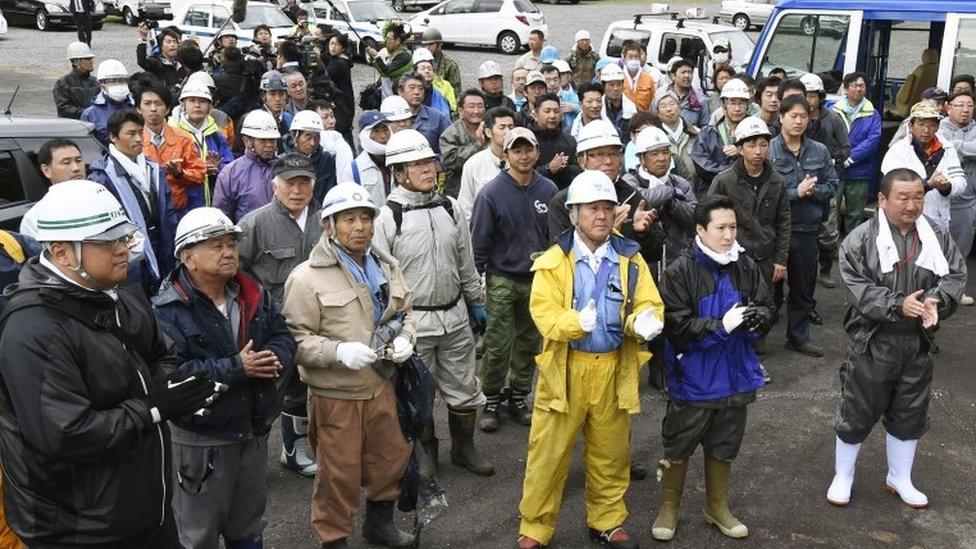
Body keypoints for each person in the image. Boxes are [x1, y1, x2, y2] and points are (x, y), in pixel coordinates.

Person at [0, 181, 216, 547]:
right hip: (79, 528)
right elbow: (66, 434)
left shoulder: (121, 292)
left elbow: (160, 354)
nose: (124, 249)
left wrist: (174, 390)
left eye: (124, 237)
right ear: (62, 253)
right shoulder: (33, 330)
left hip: (143, 509)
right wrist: (153, 409)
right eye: (107, 242)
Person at [516, 170, 663, 549]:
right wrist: (571, 323)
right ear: (573, 214)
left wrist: (642, 321)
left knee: (610, 454)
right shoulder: (553, 261)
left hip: (614, 367)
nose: (601, 215)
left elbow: (649, 302)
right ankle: (535, 527)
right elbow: (543, 311)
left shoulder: (631, 260)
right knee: (548, 454)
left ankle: (607, 520)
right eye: (592, 208)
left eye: (607, 208)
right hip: (565, 370)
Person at [282, 182, 417, 548]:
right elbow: (295, 341)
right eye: (348, 219)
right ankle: (334, 538)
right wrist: (337, 352)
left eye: (365, 218)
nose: (359, 227)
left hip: (382, 385)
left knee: (389, 459)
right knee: (337, 474)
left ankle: (379, 525)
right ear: (329, 225)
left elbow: (405, 313)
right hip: (335, 395)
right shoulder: (305, 278)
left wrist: (407, 339)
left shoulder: (385, 265)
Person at [152, 207, 295, 548]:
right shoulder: (166, 310)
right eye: (215, 245)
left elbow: (283, 335)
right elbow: (171, 378)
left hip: (251, 428)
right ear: (187, 257)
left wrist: (273, 358)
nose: (229, 251)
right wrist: (236, 368)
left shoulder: (251, 291)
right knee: (197, 534)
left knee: (248, 527)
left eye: (231, 243)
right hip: (201, 440)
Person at [826, 168, 966, 509]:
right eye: (902, 198)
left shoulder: (934, 233)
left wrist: (936, 300)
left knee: (910, 411)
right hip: (873, 340)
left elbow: (956, 274)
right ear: (882, 199)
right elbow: (856, 287)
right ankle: (843, 475)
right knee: (858, 408)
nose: (911, 205)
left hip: (917, 341)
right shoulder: (859, 239)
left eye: (918, 197)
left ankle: (899, 477)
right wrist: (896, 305)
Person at [372, 129, 493, 477]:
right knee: (417, 393)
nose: (428, 169)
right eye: (417, 164)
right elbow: (383, 280)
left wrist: (476, 302)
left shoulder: (451, 208)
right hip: (414, 325)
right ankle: (425, 454)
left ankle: (464, 449)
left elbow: (465, 262)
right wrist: (391, 326)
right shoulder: (386, 217)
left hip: (455, 317)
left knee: (465, 387)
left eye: (430, 162)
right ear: (398, 172)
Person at [653, 194, 772, 542]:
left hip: (735, 379)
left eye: (732, 227)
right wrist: (721, 325)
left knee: (724, 446)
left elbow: (766, 305)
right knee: (677, 445)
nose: (728, 235)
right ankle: (669, 507)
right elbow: (675, 327)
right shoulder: (680, 271)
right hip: (694, 381)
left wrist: (757, 319)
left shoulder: (745, 264)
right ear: (700, 229)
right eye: (720, 228)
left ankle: (717, 506)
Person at [236, 154, 322, 478]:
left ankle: (293, 451)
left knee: (299, 390)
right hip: (269, 328)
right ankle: (248, 460)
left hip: (312, 324)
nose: (297, 190)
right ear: (275, 185)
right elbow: (235, 274)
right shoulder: (254, 223)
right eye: (290, 182)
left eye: (304, 182)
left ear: (313, 186)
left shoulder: (323, 220)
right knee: (265, 394)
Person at [470, 128, 558, 432]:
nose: (524, 156)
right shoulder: (491, 193)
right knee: (496, 344)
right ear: (505, 155)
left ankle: (518, 397)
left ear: (536, 152)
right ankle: (491, 400)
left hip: (538, 279)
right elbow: (479, 242)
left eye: (528, 150)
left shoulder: (548, 189)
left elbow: (556, 237)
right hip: (501, 279)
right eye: (516, 151)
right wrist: (474, 290)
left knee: (529, 343)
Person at [768, 95, 838, 358]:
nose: (798, 121)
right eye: (793, 116)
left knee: (803, 288)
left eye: (804, 116)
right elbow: (765, 194)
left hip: (808, 231)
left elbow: (832, 186)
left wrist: (813, 191)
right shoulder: (769, 151)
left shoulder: (819, 150)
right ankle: (759, 341)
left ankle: (798, 338)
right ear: (781, 118)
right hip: (775, 232)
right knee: (767, 289)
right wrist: (796, 192)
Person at [88, 109, 176, 295]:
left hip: (162, 249)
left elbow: (169, 212)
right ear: (113, 137)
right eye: (131, 133)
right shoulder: (103, 178)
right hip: (130, 260)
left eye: (140, 133)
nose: (138, 139)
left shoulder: (154, 170)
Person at [798, 73, 851, 290]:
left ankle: (826, 268)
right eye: (806, 95)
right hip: (799, 183)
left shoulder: (833, 119)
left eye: (813, 95)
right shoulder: (794, 118)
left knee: (828, 233)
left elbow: (845, 148)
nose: (810, 100)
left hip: (824, 183)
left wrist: (830, 165)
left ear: (820, 96)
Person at [881, 101, 966, 233]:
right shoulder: (897, 151)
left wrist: (947, 186)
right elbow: (892, 187)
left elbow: (960, 181)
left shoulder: (947, 149)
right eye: (921, 124)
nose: (926, 130)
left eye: (931, 125)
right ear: (910, 125)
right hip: (903, 219)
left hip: (937, 220)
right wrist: (927, 185)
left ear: (938, 127)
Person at [624, 125, 697, 262]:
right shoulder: (630, 180)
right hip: (644, 258)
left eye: (665, 152)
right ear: (641, 158)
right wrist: (669, 191)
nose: (662, 158)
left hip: (680, 257)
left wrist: (672, 203)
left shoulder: (680, 182)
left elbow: (694, 216)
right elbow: (639, 199)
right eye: (654, 154)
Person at [135, 81, 207, 217]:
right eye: (147, 103)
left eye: (158, 103)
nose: (153, 109)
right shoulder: (134, 140)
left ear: (167, 109)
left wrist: (180, 173)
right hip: (148, 212)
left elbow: (199, 173)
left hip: (178, 211)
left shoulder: (183, 139)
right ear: (138, 108)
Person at [832, 72, 883, 235]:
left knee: (855, 214)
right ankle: (830, 249)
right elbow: (827, 136)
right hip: (835, 169)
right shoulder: (832, 111)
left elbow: (873, 141)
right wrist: (838, 158)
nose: (858, 89)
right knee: (831, 211)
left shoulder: (873, 114)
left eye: (862, 85)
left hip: (859, 171)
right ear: (845, 89)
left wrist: (851, 158)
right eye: (854, 85)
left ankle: (851, 247)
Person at [171, 82, 235, 207]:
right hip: (184, 206)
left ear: (209, 106)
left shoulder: (216, 135)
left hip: (215, 203)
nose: (197, 105)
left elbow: (230, 167)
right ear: (183, 105)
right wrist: (199, 169)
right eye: (192, 100)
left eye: (202, 101)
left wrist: (217, 168)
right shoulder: (172, 134)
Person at [939, 91, 976, 304]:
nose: (965, 109)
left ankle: (956, 291)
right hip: (942, 200)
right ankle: (934, 289)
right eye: (960, 104)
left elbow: (951, 148)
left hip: (968, 200)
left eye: (970, 105)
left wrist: (956, 146)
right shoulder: (939, 127)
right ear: (948, 107)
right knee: (937, 246)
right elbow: (941, 148)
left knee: (961, 249)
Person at [214, 110, 281, 222]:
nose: (269, 145)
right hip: (246, 237)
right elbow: (222, 216)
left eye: (272, 140)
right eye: (263, 140)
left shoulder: (284, 168)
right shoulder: (231, 173)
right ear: (247, 141)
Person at [457, 107, 516, 220]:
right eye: (502, 127)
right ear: (488, 132)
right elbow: (466, 207)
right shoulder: (473, 164)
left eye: (511, 127)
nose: (508, 132)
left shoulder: (521, 161)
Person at [20, 139, 86, 237]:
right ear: (46, 170)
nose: (76, 168)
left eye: (79, 160)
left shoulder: (104, 198)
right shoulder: (35, 218)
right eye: (66, 162)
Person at [693, 78, 751, 190]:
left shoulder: (756, 132)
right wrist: (731, 174)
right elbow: (702, 165)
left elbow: (762, 161)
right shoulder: (707, 133)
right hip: (713, 191)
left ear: (748, 105)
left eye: (741, 103)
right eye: (732, 103)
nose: (737, 108)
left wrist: (742, 152)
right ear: (724, 104)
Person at [440, 89, 487, 198]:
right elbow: (451, 161)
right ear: (461, 110)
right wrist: (477, 144)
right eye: (471, 107)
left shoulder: (491, 128)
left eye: (480, 106)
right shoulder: (450, 133)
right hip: (459, 190)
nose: (476, 111)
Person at [532, 93, 583, 189]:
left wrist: (564, 167)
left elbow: (580, 171)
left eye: (556, 111)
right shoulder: (528, 141)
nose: (552, 116)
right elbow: (523, 172)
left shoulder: (569, 141)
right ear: (535, 115)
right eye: (547, 111)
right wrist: (548, 169)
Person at [287, 110, 338, 203]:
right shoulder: (284, 161)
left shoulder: (327, 160)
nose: (312, 143)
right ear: (295, 135)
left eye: (316, 137)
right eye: (308, 137)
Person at [82, 59, 135, 147]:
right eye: (112, 81)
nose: (118, 84)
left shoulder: (137, 107)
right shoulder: (90, 114)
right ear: (101, 84)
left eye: (122, 80)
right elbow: (87, 148)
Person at [657, 91, 702, 193]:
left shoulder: (697, 134)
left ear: (680, 108)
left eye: (672, 104)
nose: (669, 109)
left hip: (697, 190)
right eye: (663, 106)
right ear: (658, 114)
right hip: (668, 192)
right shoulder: (655, 139)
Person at [398, 72, 451, 153]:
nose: (416, 92)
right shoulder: (392, 116)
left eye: (420, 88)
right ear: (400, 92)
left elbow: (449, 148)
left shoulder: (438, 117)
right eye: (412, 88)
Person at [352, 110, 393, 205]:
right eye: (376, 131)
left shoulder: (400, 160)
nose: (383, 136)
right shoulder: (354, 168)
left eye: (385, 129)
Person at [54, 42, 100, 119]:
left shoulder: (96, 82)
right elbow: (63, 109)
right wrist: (87, 113)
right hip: (73, 127)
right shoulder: (63, 83)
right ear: (76, 61)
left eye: (91, 58)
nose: (91, 61)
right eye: (88, 59)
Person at [660, 58, 710, 129]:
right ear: (673, 76)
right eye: (683, 72)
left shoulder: (700, 100)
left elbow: (705, 127)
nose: (687, 76)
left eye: (690, 72)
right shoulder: (662, 96)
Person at [365, 20, 413, 90]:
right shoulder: (395, 51)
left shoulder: (404, 56)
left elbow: (386, 72)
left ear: (398, 41)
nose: (385, 41)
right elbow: (384, 32)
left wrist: (376, 56)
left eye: (388, 39)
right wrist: (391, 23)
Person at [326, 34, 355, 142]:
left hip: (341, 104)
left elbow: (325, 76)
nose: (333, 47)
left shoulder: (339, 64)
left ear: (342, 48)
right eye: (331, 44)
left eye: (337, 45)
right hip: (344, 102)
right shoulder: (341, 60)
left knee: (343, 135)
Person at [412, 48, 456, 117]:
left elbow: (450, 109)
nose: (427, 71)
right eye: (423, 69)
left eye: (429, 69)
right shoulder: (408, 87)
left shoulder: (443, 87)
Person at [421, 28, 462, 101]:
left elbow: (456, 91)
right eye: (425, 45)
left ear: (439, 44)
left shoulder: (450, 64)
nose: (427, 48)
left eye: (431, 44)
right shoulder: (419, 61)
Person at [620, 42, 656, 113]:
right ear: (624, 59)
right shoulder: (619, 77)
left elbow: (653, 104)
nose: (633, 59)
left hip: (642, 118)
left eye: (636, 57)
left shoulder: (648, 79)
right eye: (630, 56)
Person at [552, 60, 581, 130]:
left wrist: (576, 108)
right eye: (557, 75)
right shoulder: (548, 94)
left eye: (563, 74)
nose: (560, 77)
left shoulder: (578, 93)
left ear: (569, 76)